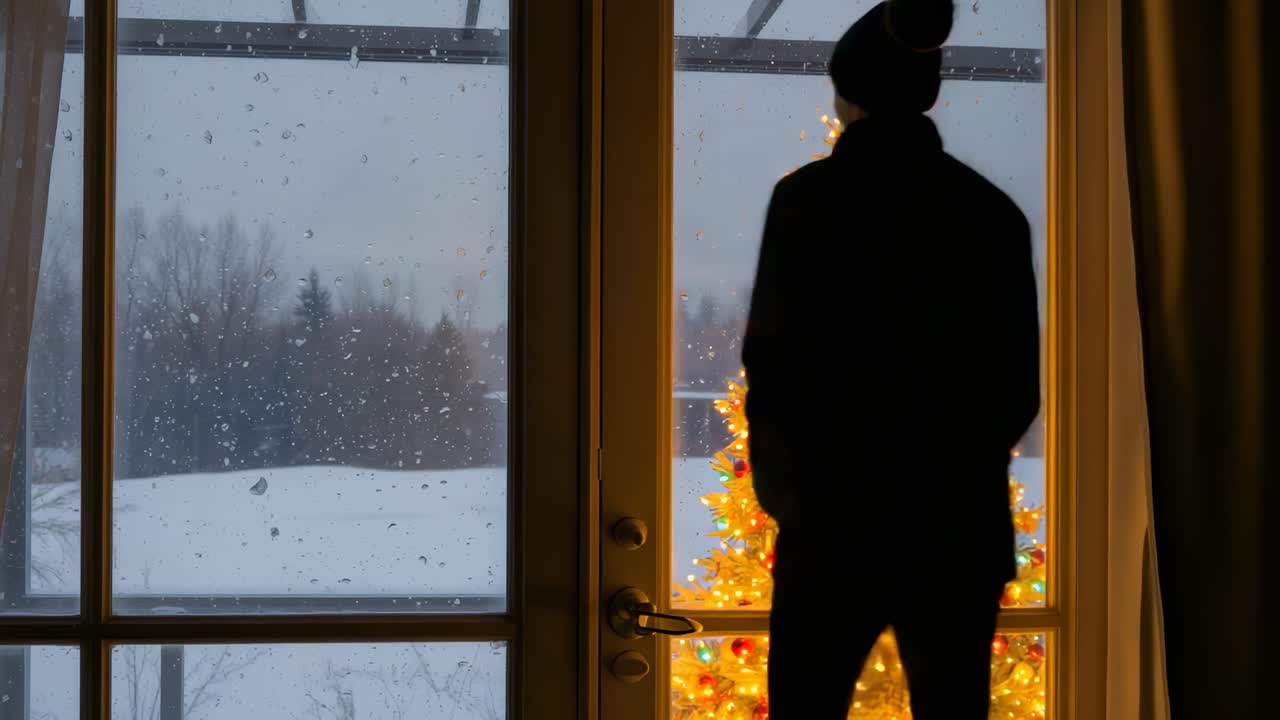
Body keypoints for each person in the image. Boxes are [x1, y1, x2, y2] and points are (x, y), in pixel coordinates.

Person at [741, 0, 1041, 717]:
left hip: (831, 530)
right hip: (955, 529)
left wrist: (792, 501)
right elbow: (1015, 388)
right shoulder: (991, 212)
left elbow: (774, 367)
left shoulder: (805, 203)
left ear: (847, 96)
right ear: (928, 92)